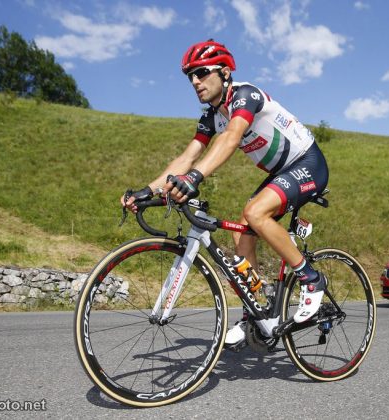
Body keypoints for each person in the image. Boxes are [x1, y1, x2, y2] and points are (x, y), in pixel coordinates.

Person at [122, 39, 329, 349]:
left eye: (201, 73)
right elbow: (188, 156)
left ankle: (311, 279)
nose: (195, 81)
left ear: (224, 72)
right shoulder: (210, 117)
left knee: (254, 213)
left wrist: (194, 178)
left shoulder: (245, 95)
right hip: (281, 173)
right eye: (190, 76)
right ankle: (256, 313)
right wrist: (147, 190)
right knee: (241, 233)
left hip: (308, 163)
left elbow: (232, 137)